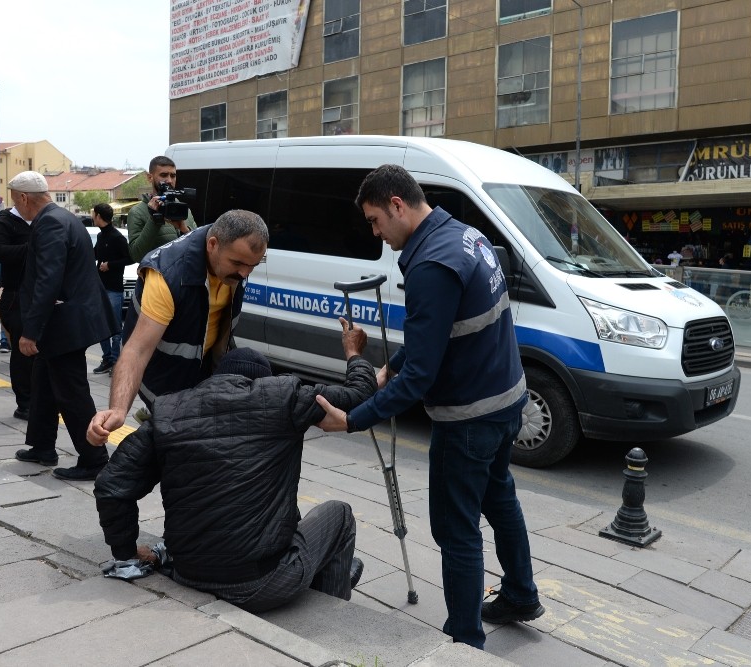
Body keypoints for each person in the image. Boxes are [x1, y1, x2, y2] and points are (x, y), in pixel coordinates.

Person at [314, 164, 542, 650]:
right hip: (506, 401)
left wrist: (353, 419)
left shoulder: (430, 266)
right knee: (501, 501)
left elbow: (423, 376)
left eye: (376, 220)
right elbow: (437, 339)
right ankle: (521, 594)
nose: (376, 233)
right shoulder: (463, 236)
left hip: (469, 417)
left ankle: (464, 642)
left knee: (456, 530)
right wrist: (389, 368)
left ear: (397, 205)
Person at [94, 322, 376, 612]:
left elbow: (111, 486)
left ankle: (324, 569)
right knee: (339, 514)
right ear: (261, 381)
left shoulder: (169, 411)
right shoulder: (282, 398)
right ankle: (330, 609)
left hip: (187, 571)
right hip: (260, 583)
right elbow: (360, 395)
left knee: (285, 507)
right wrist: (354, 352)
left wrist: (126, 551)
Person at [87, 210, 268, 444]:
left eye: (252, 266)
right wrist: (117, 410)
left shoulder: (228, 253)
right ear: (213, 245)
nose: (244, 273)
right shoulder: (168, 275)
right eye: (238, 264)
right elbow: (136, 351)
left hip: (202, 375)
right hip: (166, 382)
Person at [8, 171, 119, 481]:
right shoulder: (63, 218)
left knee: (71, 391)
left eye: (16, 203)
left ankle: (94, 457)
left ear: (24, 198)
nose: (17, 209)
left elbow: (48, 280)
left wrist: (31, 331)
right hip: (70, 317)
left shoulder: (50, 223)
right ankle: (43, 446)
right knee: (44, 380)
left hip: (66, 322)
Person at [0, 204, 35, 420]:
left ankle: (39, 400)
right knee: (23, 349)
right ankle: (25, 403)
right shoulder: (5, 222)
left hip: (43, 294)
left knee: (40, 351)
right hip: (16, 296)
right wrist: (30, 248)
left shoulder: (45, 218)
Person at [127, 156, 196, 262]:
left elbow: (198, 247)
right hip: (156, 276)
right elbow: (137, 255)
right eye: (163, 175)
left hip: (184, 276)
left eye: (173, 176)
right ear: (150, 177)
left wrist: (185, 230)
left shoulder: (184, 209)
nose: (169, 180)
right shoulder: (137, 212)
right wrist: (155, 220)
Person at [91, 203, 132, 374]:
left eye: (93, 214)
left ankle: (116, 361)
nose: (92, 216)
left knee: (115, 327)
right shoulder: (101, 237)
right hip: (100, 288)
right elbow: (93, 255)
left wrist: (111, 265)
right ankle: (107, 358)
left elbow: (130, 258)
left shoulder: (117, 237)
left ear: (99, 216)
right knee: (100, 325)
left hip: (114, 289)